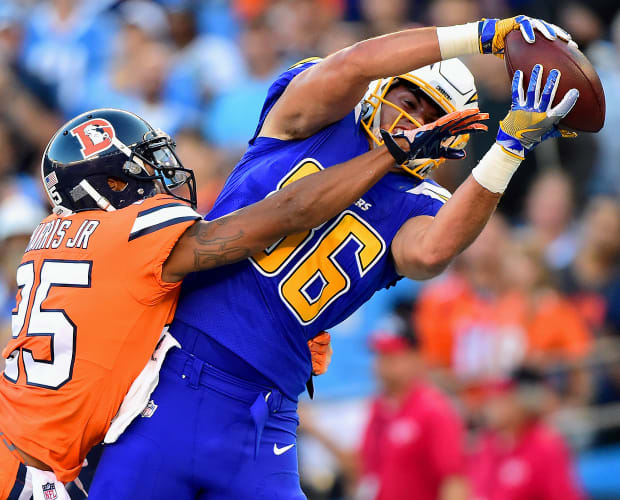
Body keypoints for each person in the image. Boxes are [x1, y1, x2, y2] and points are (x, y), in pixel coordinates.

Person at [90, 15, 581, 499]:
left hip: (267, 413)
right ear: (381, 91)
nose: (418, 122)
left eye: (436, 117)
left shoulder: (420, 202)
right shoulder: (314, 120)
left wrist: (510, 146)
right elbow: (353, 65)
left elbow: (432, 253)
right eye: (408, 101)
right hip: (178, 372)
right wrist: (479, 35)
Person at [0, 106, 472, 499]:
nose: (164, 173)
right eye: (146, 166)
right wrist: (387, 156)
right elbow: (285, 214)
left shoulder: (44, 238)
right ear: (113, 184)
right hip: (31, 464)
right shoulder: (136, 234)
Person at [301, 303, 469, 500]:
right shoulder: (380, 407)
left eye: (391, 356)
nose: (382, 364)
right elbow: (360, 467)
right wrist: (313, 429)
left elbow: (454, 482)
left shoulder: (434, 410)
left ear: (416, 358)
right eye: (380, 355)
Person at [468, 366, 585, 500]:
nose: (492, 405)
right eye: (492, 398)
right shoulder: (485, 443)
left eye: (502, 398)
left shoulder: (546, 447)